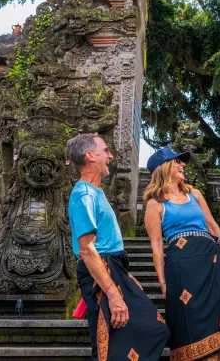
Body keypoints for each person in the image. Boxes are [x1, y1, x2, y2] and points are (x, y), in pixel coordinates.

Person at [67, 134, 169, 361]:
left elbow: (104, 244)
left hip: (113, 266)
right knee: (107, 344)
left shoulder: (95, 193)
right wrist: (113, 294)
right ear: (90, 156)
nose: (110, 155)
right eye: (105, 150)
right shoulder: (83, 195)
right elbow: (87, 250)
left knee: (154, 328)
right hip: (99, 271)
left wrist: (124, 275)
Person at [144, 147, 220, 361]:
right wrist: (163, 282)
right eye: (177, 162)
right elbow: (156, 245)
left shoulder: (194, 193)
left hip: (212, 261)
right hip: (182, 268)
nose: (183, 165)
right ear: (164, 168)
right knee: (190, 318)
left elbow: (212, 225)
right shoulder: (155, 204)